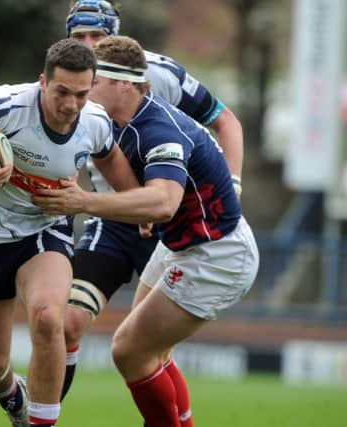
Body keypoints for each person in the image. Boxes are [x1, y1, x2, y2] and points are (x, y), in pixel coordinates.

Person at [32, 35, 259, 427]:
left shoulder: (159, 130)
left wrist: (83, 202)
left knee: (128, 352)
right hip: (182, 246)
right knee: (148, 352)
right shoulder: (116, 120)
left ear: (124, 84)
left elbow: (164, 203)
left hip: (216, 255)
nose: (85, 94)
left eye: (95, 83)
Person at [0, 38, 137, 427]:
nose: (71, 105)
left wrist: (132, 198)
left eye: (81, 94)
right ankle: (15, 401)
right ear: (42, 83)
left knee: (50, 317)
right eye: (62, 92)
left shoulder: (95, 121)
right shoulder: (5, 106)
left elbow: (110, 155)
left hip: (45, 233)